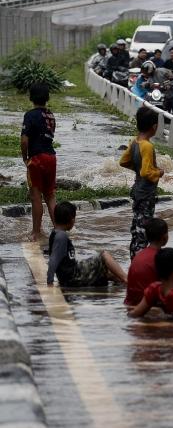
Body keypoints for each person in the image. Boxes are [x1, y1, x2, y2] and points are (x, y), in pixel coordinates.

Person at [47, 201, 128, 287]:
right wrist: (50, 281)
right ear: (72, 219)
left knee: (107, 273)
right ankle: (127, 279)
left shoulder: (56, 233)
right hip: (73, 277)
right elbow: (53, 259)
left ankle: (123, 282)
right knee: (104, 255)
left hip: (70, 275)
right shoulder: (61, 236)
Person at [119, 107, 165, 259]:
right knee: (144, 228)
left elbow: (123, 161)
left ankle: (135, 259)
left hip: (137, 191)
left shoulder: (135, 142)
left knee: (137, 227)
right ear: (154, 127)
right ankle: (140, 261)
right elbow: (146, 172)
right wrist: (159, 172)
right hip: (146, 193)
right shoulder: (147, 145)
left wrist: (137, 169)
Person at [124, 218, 173, 307]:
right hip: (152, 306)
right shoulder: (163, 258)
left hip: (130, 305)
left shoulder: (138, 256)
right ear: (165, 237)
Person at [20, 83, 57, 241]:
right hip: (51, 157)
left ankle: (36, 232)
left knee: (35, 196)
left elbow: (24, 141)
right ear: (47, 98)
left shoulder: (30, 115)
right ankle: (59, 229)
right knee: (50, 196)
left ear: (30, 97)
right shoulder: (50, 115)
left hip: (37, 159)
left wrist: (25, 158)